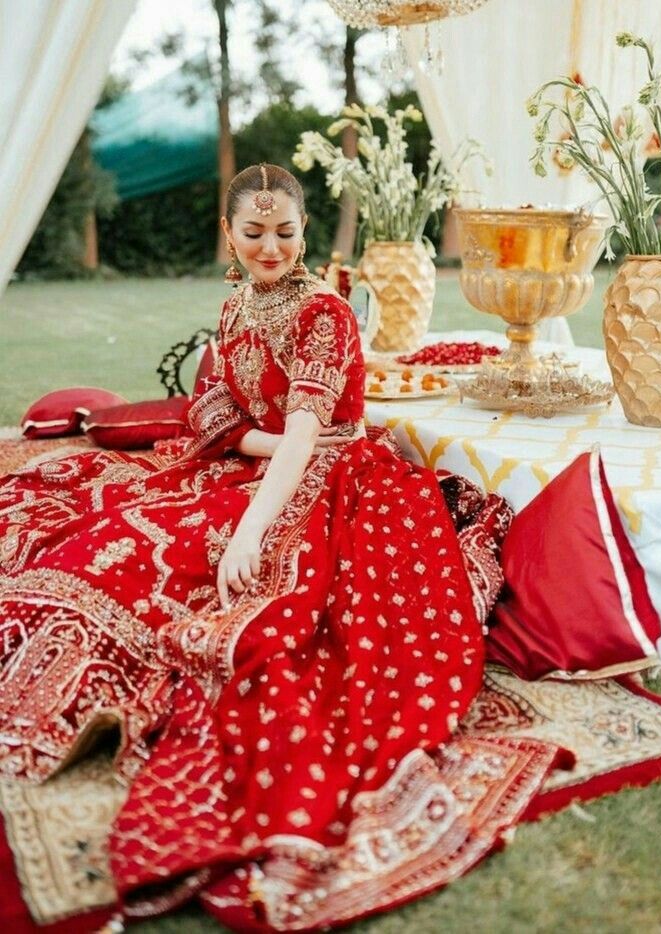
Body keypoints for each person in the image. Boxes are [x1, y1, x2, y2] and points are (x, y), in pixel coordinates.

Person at [0, 165, 557, 930]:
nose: (270, 246)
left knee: (194, 570)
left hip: (338, 477)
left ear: (304, 233)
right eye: (254, 232)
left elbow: (307, 434)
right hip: (268, 461)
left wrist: (257, 525)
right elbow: (220, 421)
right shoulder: (235, 309)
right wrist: (254, 455)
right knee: (79, 524)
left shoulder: (323, 313)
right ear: (229, 235)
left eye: (285, 232)